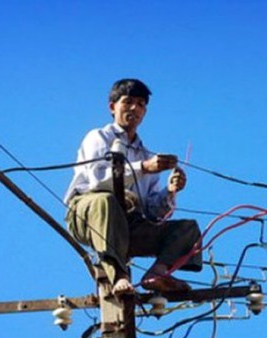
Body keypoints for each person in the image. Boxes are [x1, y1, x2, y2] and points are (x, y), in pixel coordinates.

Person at [64, 79, 202, 297]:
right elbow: (98, 181)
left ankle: (158, 274)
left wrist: (170, 191)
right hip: (88, 214)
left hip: (128, 225)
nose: (134, 108)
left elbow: (152, 212)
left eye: (140, 104)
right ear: (113, 107)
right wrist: (144, 168)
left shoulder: (146, 154)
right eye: (127, 102)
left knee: (188, 228)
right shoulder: (99, 137)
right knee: (106, 201)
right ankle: (118, 275)